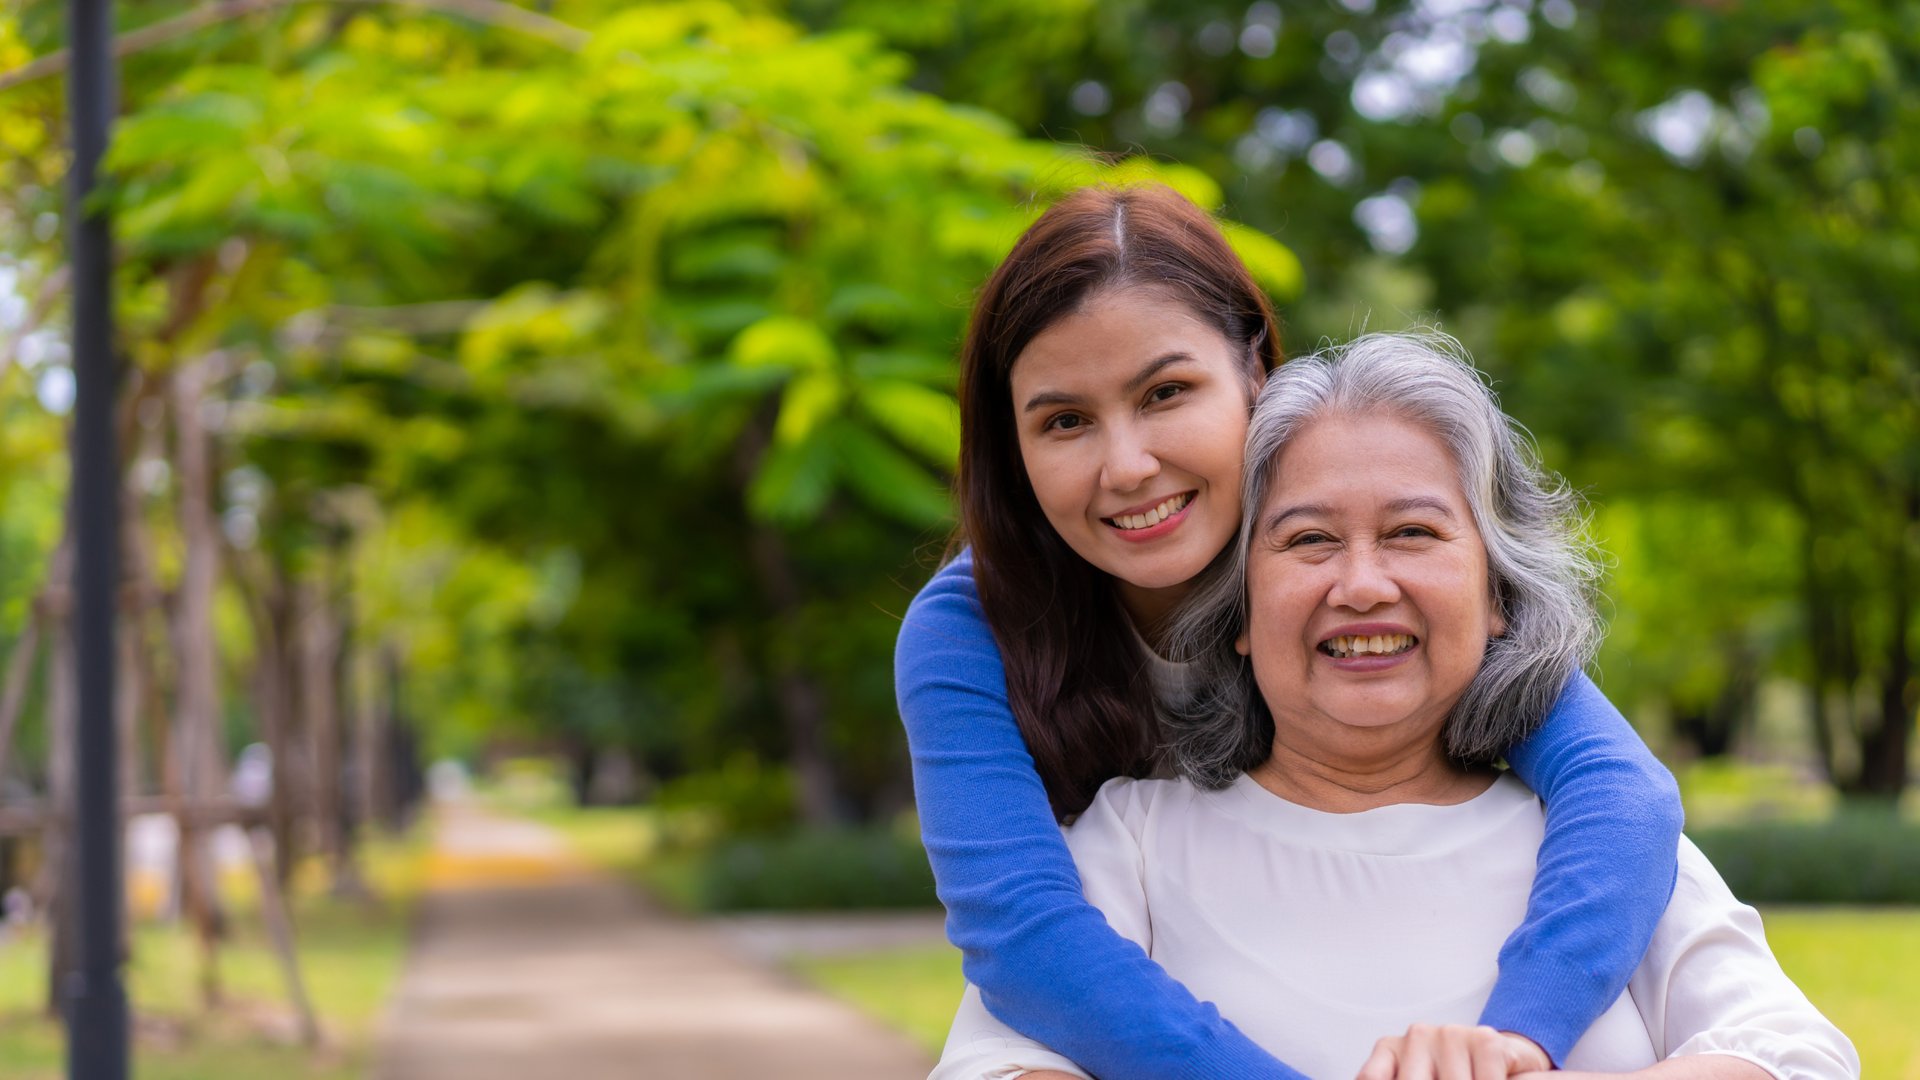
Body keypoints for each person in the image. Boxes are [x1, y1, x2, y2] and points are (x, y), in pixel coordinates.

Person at [894, 185, 1685, 1079]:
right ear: (1014, 446)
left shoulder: (1366, 585)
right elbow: (1024, 934)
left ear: (1256, 378)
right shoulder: (968, 631)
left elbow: (1622, 797)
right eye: (1065, 420)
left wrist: (1509, 1046)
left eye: (1166, 392)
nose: (1126, 465)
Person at [930, 331, 1858, 1080]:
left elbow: (1798, 1056)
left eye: (1413, 532)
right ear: (1239, 609)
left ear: (1496, 594)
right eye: (1308, 540)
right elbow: (997, 1066)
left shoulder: (1595, 844)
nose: (1362, 584)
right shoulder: (1130, 842)